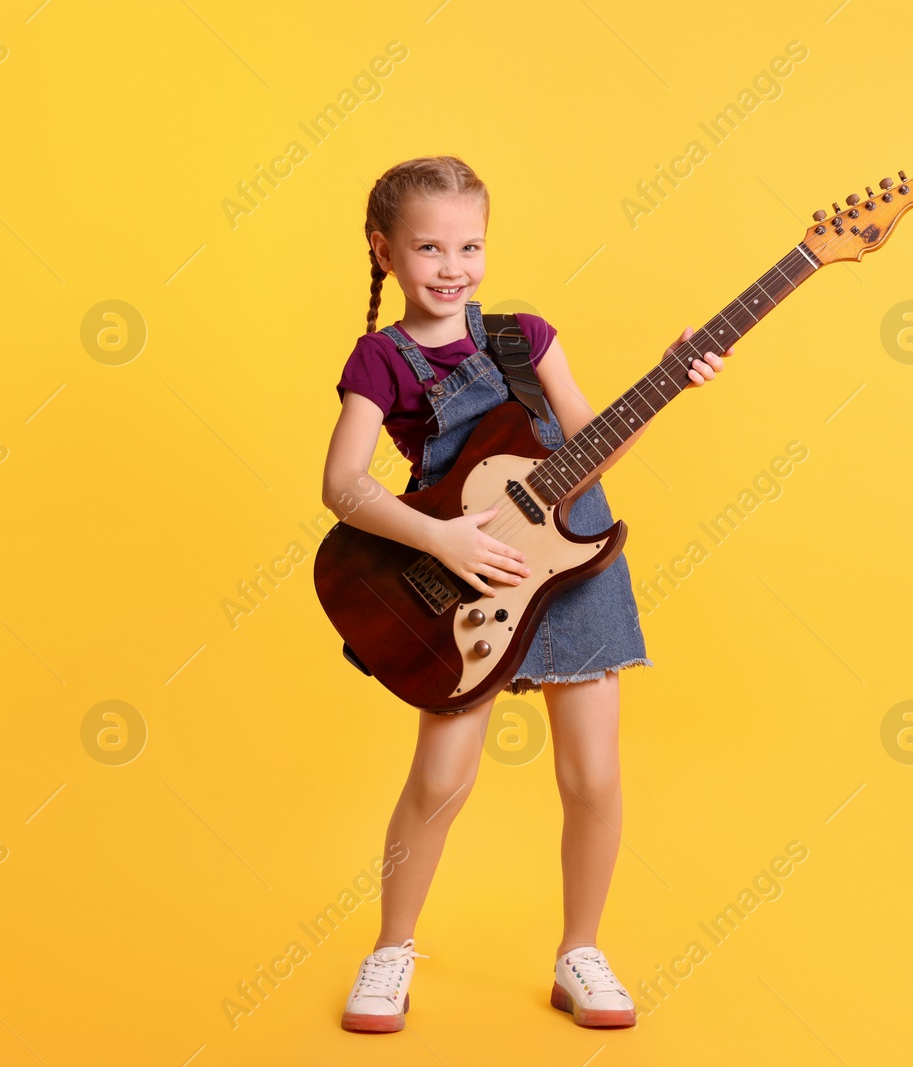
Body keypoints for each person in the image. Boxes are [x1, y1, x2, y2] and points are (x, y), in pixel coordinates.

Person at [320, 155, 727, 1033]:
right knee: (440, 778)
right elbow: (343, 484)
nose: (453, 265)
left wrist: (665, 382)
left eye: (470, 244)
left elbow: (592, 446)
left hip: (576, 568)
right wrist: (440, 537)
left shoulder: (526, 338)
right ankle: (392, 950)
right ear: (385, 251)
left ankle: (580, 951)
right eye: (429, 246)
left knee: (593, 774)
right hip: (466, 581)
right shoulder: (380, 360)